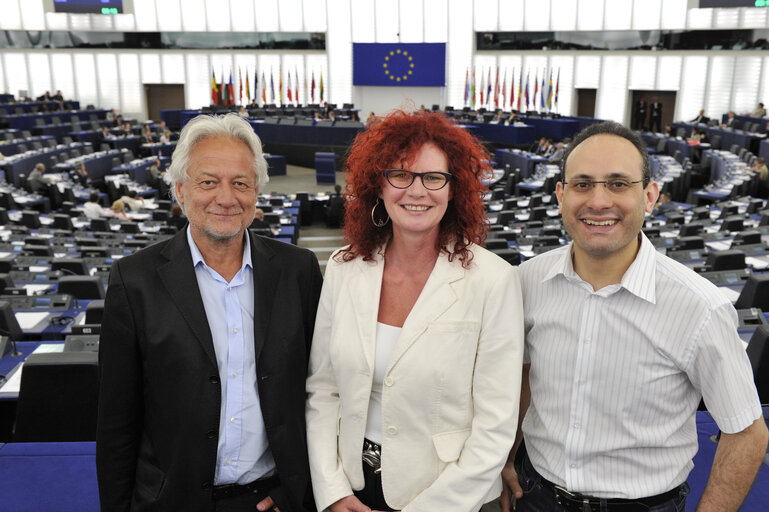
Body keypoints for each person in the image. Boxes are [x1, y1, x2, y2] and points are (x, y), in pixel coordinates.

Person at [498, 121, 768, 512]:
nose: (598, 201)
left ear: (650, 196)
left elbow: (747, 433)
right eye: (583, 183)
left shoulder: (700, 307)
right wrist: (507, 454)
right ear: (561, 194)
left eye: (618, 183)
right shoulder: (528, 280)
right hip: (536, 494)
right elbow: (525, 372)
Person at [96, 113, 323, 512]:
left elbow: (320, 391)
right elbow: (117, 422)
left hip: (274, 501)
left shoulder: (298, 271)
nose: (226, 197)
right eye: (208, 182)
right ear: (180, 191)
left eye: (240, 183)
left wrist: (297, 490)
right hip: (173, 502)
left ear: (256, 193)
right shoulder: (134, 281)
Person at [306, 110, 524, 512]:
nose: (416, 191)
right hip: (352, 487)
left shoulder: (493, 280)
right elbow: (324, 390)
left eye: (433, 177)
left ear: (454, 189)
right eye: (400, 175)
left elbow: (495, 426)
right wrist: (332, 491)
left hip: (448, 495)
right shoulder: (343, 268)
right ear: (379, 184)